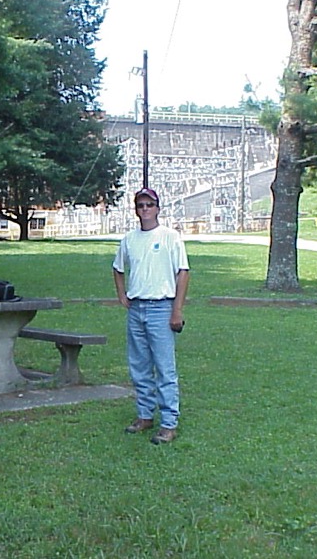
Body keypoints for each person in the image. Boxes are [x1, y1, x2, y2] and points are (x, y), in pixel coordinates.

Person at [112, 188, 190, 445]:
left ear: (158, 208)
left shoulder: (170, 237)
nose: (145, 209)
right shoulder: (129, 240)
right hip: (137, 309)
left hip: (161, 307)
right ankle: (145, 415)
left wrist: (176, 310)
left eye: (149, 205)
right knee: (139, 365)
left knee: (165, 368)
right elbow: (118, 268)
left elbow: (183, 273)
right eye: (140, 205)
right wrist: (122, 295)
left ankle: (169, 422)